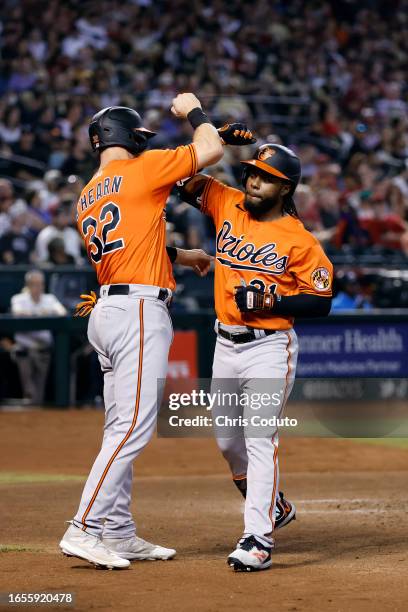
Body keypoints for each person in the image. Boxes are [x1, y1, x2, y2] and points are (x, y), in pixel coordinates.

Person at [59, 96, 224, 570]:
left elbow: (127, 246)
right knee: (133, 426)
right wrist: (194, 110)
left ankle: (119, 531)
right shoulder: (143, 168)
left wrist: (177, 255)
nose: (141, 144)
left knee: (119, 426)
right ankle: (84, 526)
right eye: (137, 137)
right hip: (136, 312)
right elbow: (210, 148)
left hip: (109, 308)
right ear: (124, 137)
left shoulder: (89, 191)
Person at [178, 143, 333, 571]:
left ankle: (258, 539)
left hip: (269, 346)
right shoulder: (227, 201)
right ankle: (276, 507)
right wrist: (211, 136)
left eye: (264, 176)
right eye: (250, 172)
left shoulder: (300, 240)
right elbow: (177, 179)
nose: (253, 179)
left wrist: (274, 301)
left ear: (285, 188)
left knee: (259, 440)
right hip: (225, 344)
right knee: (229, 444)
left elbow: (321, 301)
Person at [10, 270, 66, 403]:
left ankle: (36, 410)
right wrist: (42, 313)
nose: (38, 287)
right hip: (24, 350)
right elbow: (18, 313)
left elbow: (62, 312)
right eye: (34, 284)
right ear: (28, 285)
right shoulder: (18, 298)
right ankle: (28, 405)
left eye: (40, 284)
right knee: (29, 391)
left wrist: (38, 313)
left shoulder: (49, 299)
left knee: (39, 392)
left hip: (43, 350)